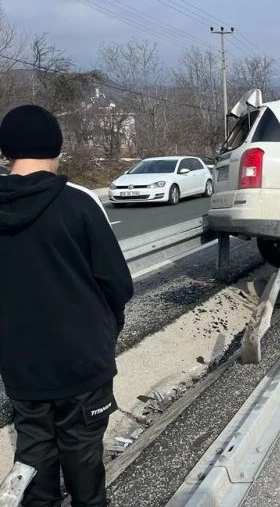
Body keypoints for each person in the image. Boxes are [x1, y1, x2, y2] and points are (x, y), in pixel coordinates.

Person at [0, 104, 133, 506]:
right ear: (57, 149)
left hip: (22, 368)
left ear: (5, 153)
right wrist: (106, 331)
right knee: (84, 464)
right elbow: (117, 283)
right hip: (83, 363)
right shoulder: (79, 203)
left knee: (33, 460)